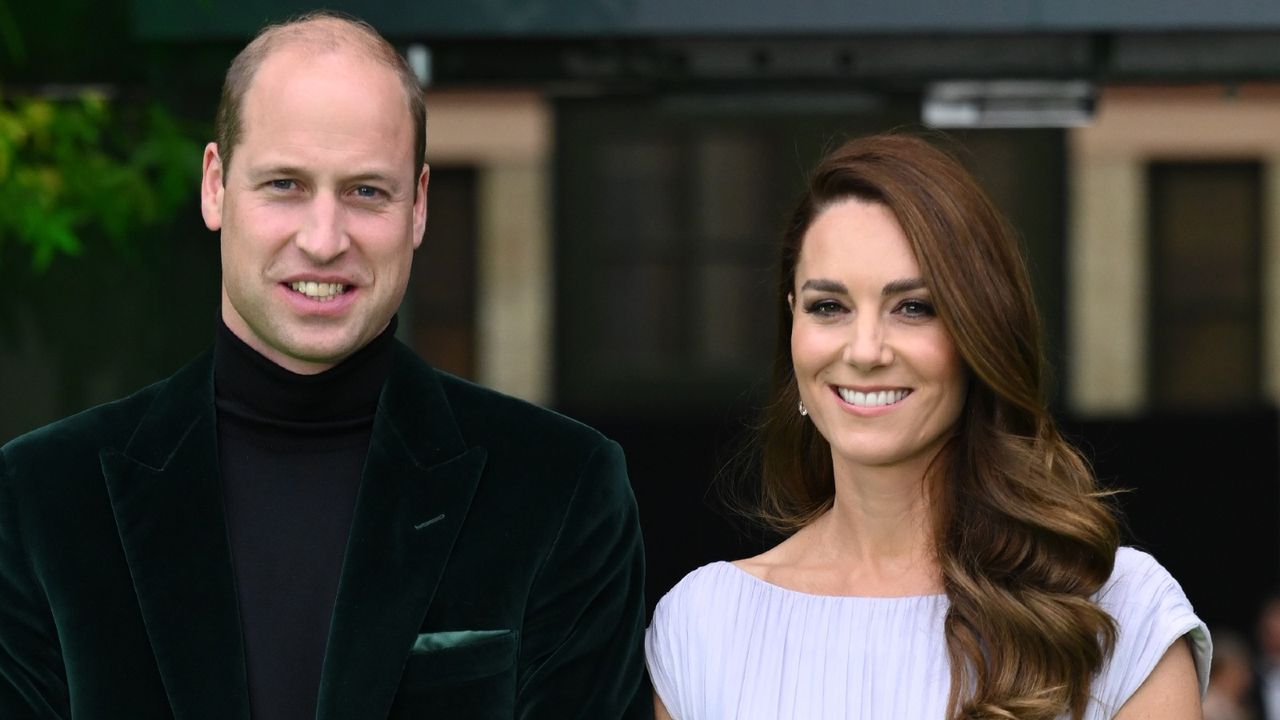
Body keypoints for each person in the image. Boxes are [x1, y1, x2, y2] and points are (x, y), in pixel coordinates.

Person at [0, 11, 649, 718]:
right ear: (215, 186)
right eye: (285, 184)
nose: (323, 238)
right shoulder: (41, 502)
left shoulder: (561, 490)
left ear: (419, 207)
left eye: (366, 191)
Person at [645, 133, 1211, 720]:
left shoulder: (1120, 610)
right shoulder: (702, 624)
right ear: (792, 323)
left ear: (979, 334)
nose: (865, 351)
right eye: (829, 307)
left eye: (913, 307)